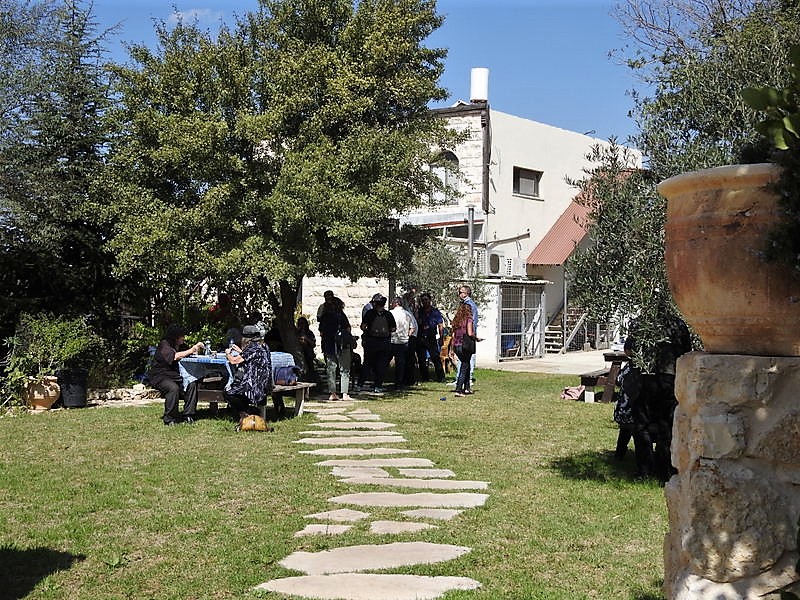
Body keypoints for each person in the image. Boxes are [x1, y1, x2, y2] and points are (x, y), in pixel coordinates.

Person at [619, 313, 692, 480]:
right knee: (666, 424)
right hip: (669, 379)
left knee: (641, 425)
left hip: (644, 378)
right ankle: (665, 469)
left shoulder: (640, 322)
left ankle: (644, 470)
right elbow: (687, 352)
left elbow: (629, 350)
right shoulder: (678, 324)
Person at [148, 324, 204, 426]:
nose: (184, 338)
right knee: (173, 388)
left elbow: (189, 353)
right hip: (160, 376)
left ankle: (188, 414)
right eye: (182, 336)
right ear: (176, 336)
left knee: (192, 383)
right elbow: (174, 356)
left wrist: (196, 348)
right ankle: (170, 418)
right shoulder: (165, 344)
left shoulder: (182, 346)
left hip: (176, 375)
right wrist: (191, 350)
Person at [223, 324, 274, 430]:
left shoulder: (252, 348)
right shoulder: (263, 346)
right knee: (237, 387)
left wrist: (227, 353)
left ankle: (245, 416)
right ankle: (249, 413)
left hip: (255, 387)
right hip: (265, 384)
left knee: (228, 391)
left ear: (246, 338)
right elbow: (250, 357)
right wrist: (240, 351)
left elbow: (234, 361)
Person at [319, 297, 354, 401]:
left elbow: (321, 332)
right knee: (344, 369)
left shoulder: (324, 317)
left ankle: (332, 393)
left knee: (331, 369)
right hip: (342, 345)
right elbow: (348, 329)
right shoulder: (341, 316)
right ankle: (345, 394)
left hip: (329, 345)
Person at [359, 295, 396, 393]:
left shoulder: (370, 313)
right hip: (384, 342)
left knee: (367, 363)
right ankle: (378, 385)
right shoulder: (388, 314)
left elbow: (363, 326)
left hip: (371, 342)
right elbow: (393, 328)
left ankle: (360, 384)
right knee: (381, 365)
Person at [415, 292, 445, 382]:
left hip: (431, 337)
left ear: (430, 300)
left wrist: (441, 337)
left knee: (435, 357)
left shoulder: (435, 312)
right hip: (421, 337)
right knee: (421, 358)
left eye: (426, 300)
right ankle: (425, 377)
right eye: (423, 300)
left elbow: (440, 325)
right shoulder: (419, 311)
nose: (425, 302)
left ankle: (441, 377)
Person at [450, 297, 475, 397]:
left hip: (456, 345)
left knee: (466, 364)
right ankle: (459, 389)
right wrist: (476, 338)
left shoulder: (457, 320)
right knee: (464, 366)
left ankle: (467, 388)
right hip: (465, 345)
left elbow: (453, 335)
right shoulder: (469, 319)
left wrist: (451, 349)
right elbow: (470, 333)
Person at [389, 297, 414, 389]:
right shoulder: (407, 314)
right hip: (403, 341)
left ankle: (379, 380)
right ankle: (399, 383)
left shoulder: (390, 313)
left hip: (392, 340)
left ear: (395, 303)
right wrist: (407, 335)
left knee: (384, 361)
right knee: (400, 364)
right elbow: (412, 328)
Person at [459, 284, 479, 383]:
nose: (459, 294)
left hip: (467, 335)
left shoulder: (468, 305)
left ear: (466, 293)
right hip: (467, 334)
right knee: (465, 360)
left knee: (466, 360)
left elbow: (471, 322)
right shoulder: (467, 304)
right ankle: (464, 383)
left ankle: (464, 381)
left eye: (461, 292)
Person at [296, 316, 319, 383]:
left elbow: (313, 344)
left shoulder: (310, 333)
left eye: (303, 323)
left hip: (308, 355)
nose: (301, 325)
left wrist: (306, 338)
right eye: (300, 324)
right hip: (299, 355)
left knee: (310, 370)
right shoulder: (296, 333)